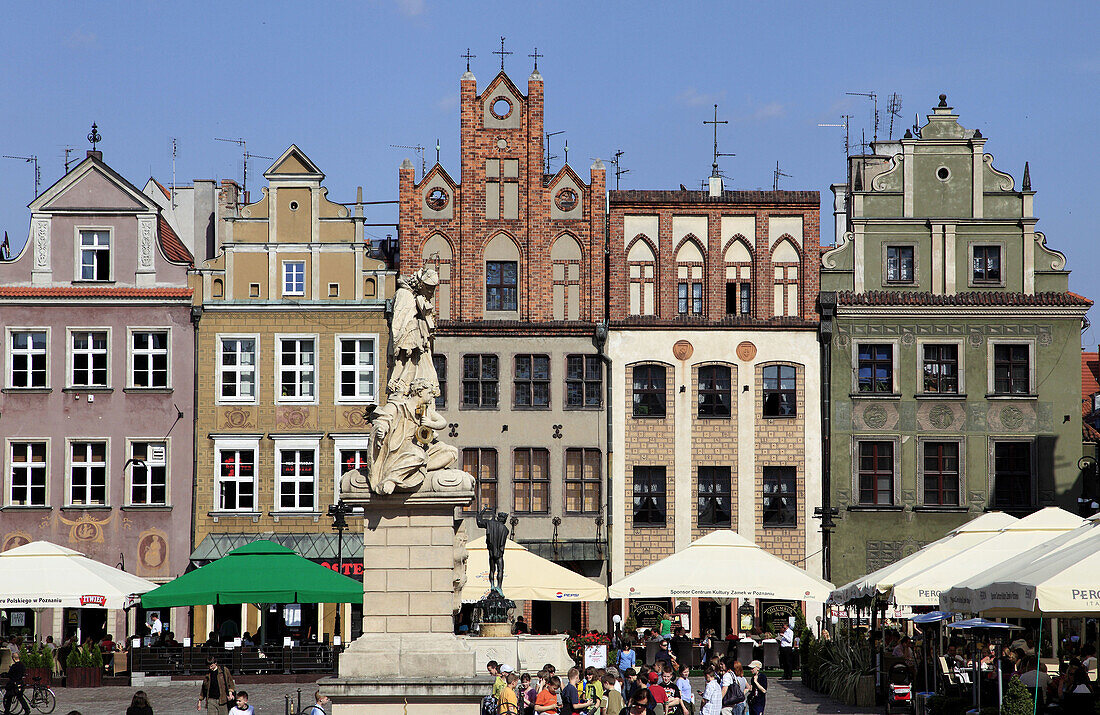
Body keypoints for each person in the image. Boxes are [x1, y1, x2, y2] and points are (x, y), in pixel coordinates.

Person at [3, 648, 29, 715]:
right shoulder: (22, 665)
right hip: (20, 683)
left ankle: (7, 711)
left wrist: (4, 674)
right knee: (20, 697)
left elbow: (10, 675)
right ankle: (27, 709)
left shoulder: (14, 666)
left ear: (13, 658)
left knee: (8, 697)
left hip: (13, 684)